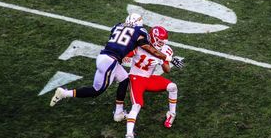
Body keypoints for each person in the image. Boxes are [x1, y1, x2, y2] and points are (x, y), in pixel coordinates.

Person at [49, 14, 184, 123]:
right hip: (111, 61)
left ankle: (118, 113)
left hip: (104, 57)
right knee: (97, 90)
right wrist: (169, 58)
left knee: (124, 79)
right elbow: (150, 49)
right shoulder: (139, 31)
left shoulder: (117, 26)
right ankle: (64, 93)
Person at [124, 26, 183, 138]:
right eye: (160, 41)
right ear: (153, 37)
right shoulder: (142, 44)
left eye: (163, 42)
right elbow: (126, 56)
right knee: (137, 105)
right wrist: (126, 57)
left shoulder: (166, 50)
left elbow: (167, 70)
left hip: (149, 78)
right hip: (136, 78)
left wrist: (163, 61)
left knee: (173, 87)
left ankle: (171, 114)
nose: (161, 44)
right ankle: (128, 136)